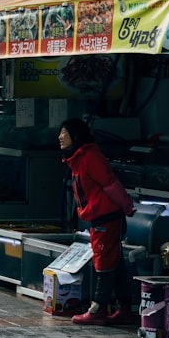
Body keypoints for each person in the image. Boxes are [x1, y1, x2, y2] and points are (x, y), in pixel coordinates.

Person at [59, 117, 137, 326]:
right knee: (115, 261)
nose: (60, 137)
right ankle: (125, 309)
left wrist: (127, 205)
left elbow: (110, 184)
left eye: (64, 133)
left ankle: (98, 308)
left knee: (103, 261)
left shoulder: (90, 157)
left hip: (107, 216)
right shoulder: (79, 159)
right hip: (100, 216)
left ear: (75, 136)